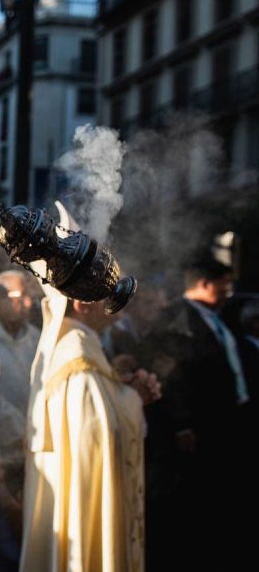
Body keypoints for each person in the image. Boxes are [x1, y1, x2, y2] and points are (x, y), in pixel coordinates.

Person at [20, 204, 158, 572]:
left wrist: (120, 386)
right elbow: (97, 437)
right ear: (81, 303)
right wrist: (134, 399)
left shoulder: (77, 347)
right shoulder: (75, 356)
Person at [137, 258, 251, 570]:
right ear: (204, 283)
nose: (229, 291)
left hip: (228, 421)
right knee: (199, 503)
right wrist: (182, 423)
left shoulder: (218, 317)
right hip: (201, 427)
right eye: (224, 284)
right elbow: (167, 372)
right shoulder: (176, 320)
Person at [0, 270, 39, 484]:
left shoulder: (36, 337)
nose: (28, 304)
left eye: (29, 297)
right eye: (20, 297)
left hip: (34, 441)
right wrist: (17, 428)